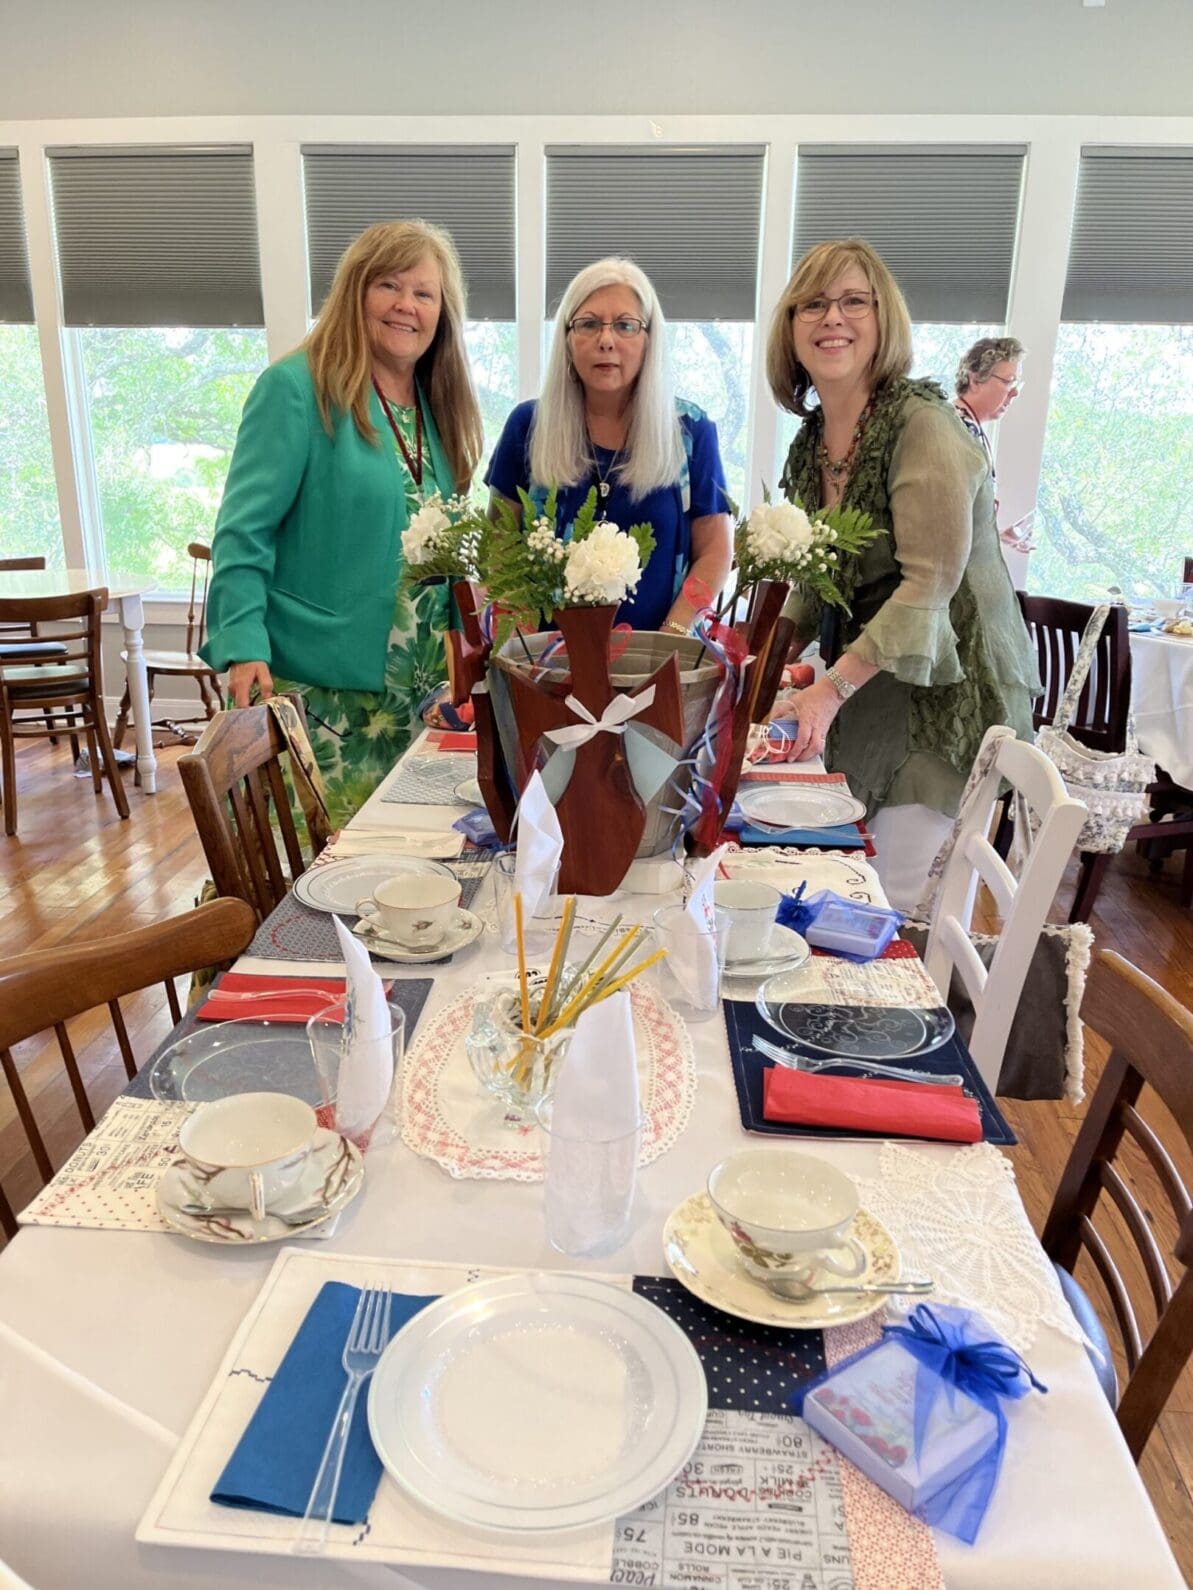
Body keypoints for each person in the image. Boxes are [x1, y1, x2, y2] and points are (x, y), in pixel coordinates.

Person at [763, 241, 1039, 909]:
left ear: (884, 321)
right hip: (870, 685)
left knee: (888, 902)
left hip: (944, 698)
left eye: (855, 301)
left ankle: (905, 1012)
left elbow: (928, 587)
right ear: (790, 327)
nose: (833, 317)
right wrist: (757, 668)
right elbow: (813, 579)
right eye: (814, 303)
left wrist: (824, 693)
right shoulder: (812, 442)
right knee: (836, 881)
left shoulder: (923, 427)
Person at [201, 219, 483, 826]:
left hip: (421, 692)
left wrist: (470, 653)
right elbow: (243, 531)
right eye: (389, 285)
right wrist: (242, 644)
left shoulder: (436, 406)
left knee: (400, 864)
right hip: (323, 692)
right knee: (310, 874)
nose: (407, 305)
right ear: (355, 292)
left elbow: (446, 549)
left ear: (443, 312)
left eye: (425, 293)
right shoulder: (296, 389)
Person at [485, 258, 732, 634]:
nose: (606, 340)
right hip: (542, 666)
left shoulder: (690, 432)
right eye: (588, 324)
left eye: (625, 325)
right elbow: (499, 546)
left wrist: (674, 639)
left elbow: (715, 551)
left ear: (649, 340)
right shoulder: (528, 426)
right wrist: (527, 646)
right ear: (567, 340)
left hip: (660, 667)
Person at [953, 335, 1030, 545]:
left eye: (1017, 384)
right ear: (975, 379)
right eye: (1009, 382)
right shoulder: (956, 429)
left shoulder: (970, 427)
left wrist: (995, 536)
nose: (1014, 393)